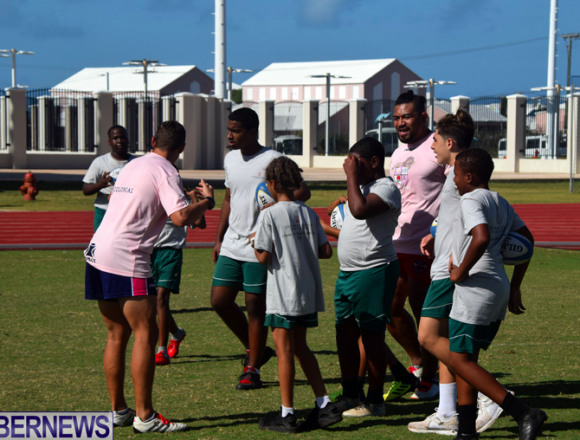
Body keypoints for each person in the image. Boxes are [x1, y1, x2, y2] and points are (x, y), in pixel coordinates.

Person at [84, 121, 215, 433]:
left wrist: (187, 203)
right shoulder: (167, 171)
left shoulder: (134, 164)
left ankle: (119, 411)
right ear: (181, 149)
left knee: (117, 335)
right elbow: (181, 218)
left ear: (153, 140)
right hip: (126, 258)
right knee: (146, 332)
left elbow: (155, 205)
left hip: (96, 250)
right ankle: (146, 417)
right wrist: (207, 201)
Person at [409, 110, 503, 434]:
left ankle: (488, 396)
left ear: (450, 142)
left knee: (427, 337)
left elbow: (471, 219)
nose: (431, 146)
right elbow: (453, 215)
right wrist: (434, 231)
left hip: (447, 269)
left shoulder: (460, 175)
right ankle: (448, 410)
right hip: (444, 261)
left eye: (434, 140)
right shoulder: (455, 174)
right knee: (446, 338)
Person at [446, 148, 546, 440]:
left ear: (469, 176)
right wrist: (515, 286)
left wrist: (460, 271)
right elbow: (528, 240)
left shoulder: (471, 199)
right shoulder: (500, 201)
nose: (453, 180)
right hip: (498, 286)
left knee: (458, 361)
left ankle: (523, 412)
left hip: (475, 288)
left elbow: (481, 236)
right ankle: (466, 431)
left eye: (455, 175)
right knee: (468, 358)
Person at [210, 108, 310, 390]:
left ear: (253, 132)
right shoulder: (230, 158)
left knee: (255, 306)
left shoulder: (273, 160)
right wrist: (219, 238)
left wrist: (273, 214)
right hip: (232, 243)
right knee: (219, 301)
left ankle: (252, 367)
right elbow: (229, 197)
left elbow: (302, 192)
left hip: (260, 245)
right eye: (228, 129)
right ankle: (257, 350)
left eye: (236, 131)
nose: (230, 135)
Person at [252, 156, 341, 433]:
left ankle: (287, 413)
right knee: (301, 348)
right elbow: (326, 251)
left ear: (272, 184)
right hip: (306, 292)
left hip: (283, 294)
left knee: (284, 351)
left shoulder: (269, 214)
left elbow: (264, 257)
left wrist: (255, 242)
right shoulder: (308, 212)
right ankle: (324, 403)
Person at [332, 137, 417, 418]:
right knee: (344, 333)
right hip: (349, 273)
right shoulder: (364, 188)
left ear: (374, 162)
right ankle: (349, 394)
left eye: (356, 162)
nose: (351, 166)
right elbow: (351, 214)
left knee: (372, 336)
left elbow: (360, 210)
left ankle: (374, 401)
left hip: (374, 270)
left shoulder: (387, 188)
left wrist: (351, 178)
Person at [384, 90, 447, 401]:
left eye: (406, 116)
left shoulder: (438, 147)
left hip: (426, 247)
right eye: (396, 118)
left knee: (425, 316)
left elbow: (458, 190)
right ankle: (419, 364)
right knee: (389, 309)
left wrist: (439, 229)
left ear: (423, 117)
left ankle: (432, 380)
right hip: (396, 243)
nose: (400, 123)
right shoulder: (397, 153)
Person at [154, 181, 207, 366]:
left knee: (161, 299)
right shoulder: (150, 194)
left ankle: (161, 351)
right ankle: (176, 333)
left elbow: (200, 223)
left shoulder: (179, 199)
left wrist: (193, 199)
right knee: (155, 302)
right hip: (149, 252)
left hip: (171, 252)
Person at [83, 125, 135, 231]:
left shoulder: (137, 163)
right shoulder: (100, 162)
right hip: (104, 211)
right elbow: (85, 190)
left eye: (122, 137)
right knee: (101, 246)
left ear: (127, 140)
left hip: (128, 212)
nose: (119, 141)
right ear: (109, 142)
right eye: (115, 138)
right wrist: (100, 185)